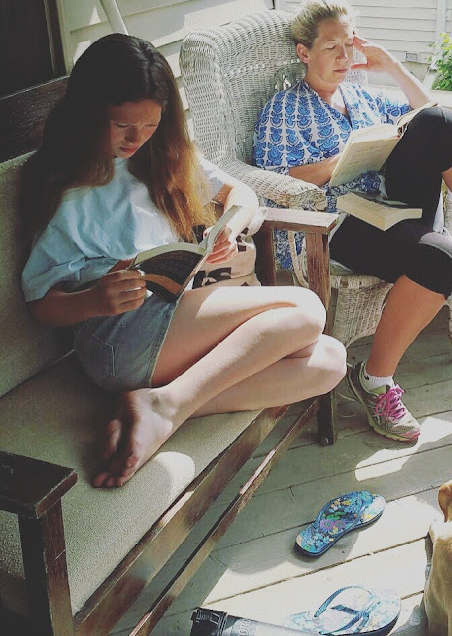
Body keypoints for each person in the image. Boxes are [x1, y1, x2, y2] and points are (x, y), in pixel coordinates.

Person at [21, 34, 346, 489]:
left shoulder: (161, 157)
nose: (136, 138)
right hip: (119, 336)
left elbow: (241, 194)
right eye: (121, 125)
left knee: (330, 362)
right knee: (306, 310)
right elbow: (39, 302)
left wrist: (230, 227)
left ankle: (166, 403)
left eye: (150, 125)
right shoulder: (67, 189)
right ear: (89, 113)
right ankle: (165, 406)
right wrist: (92, 300)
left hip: (172, 321)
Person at [253, 0, 452, 443]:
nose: (344, 56)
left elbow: (433, 117)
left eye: (349, 45)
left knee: (436, 121)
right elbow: (276, 177)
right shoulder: (285, 108)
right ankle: (374, 380)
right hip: (333, 224)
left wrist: (392, 66)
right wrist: (343, 161)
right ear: (304, 52)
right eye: (331, 47)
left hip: (387, 204)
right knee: (441, 258)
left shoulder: (361, 96)